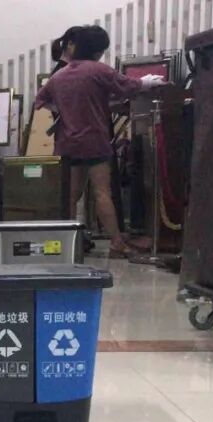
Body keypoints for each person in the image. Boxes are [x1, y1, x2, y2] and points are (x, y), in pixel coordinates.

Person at [35, 25, 164, 257]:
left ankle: (67, 243)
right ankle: (117, 243)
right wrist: (148, 82)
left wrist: (63, 110)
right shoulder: (98, 70)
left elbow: (40, 100)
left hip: (68, 143)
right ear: (97, 50)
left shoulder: (58, 76)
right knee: (102, 193)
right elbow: (128, 86)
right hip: (95, 142)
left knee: (70, 197)